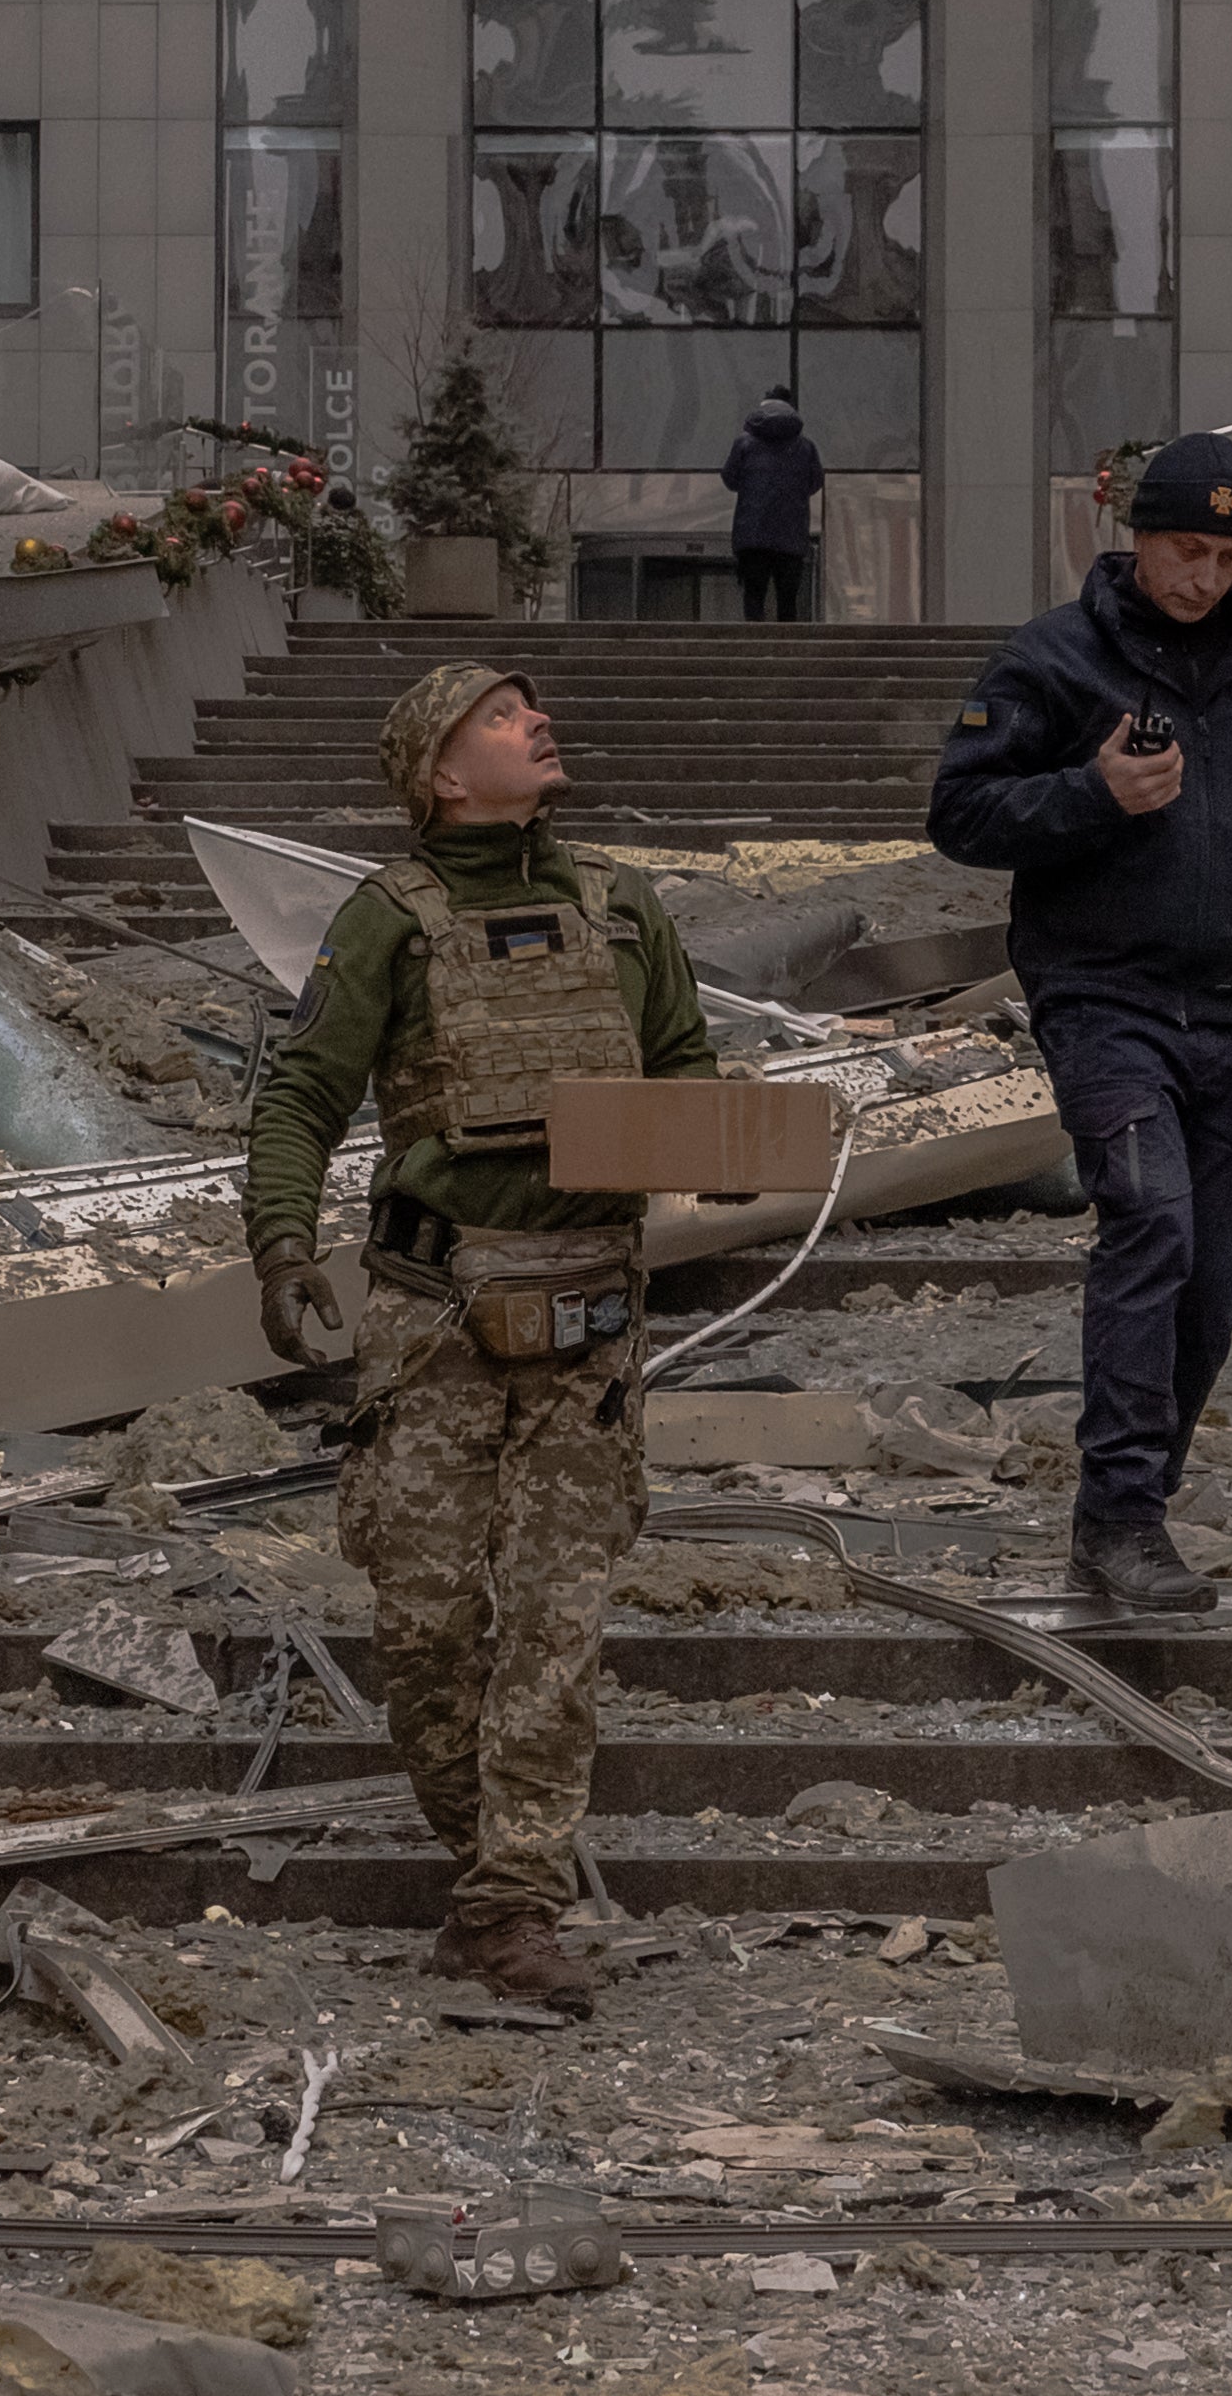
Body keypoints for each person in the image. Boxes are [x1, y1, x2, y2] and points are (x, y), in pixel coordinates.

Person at [242, 662, 719, 1998]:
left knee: (556, 1623)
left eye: (532, 708)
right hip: (438, 1315)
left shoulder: (621, 911)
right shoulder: (387, 920)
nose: (538, 721)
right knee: (425, 1624)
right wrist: (280, 1247)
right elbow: (299, 1100)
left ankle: (514, 1899)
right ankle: (489, 1866)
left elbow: (684, 1067)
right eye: (501, 717)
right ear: (441, 772)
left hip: (589, 1323)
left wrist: (708, 1140)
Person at [920, 431, 1232, 1611]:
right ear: (1135, 538)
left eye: (1226, 554)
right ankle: (1117, 1516)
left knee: (1216, 1277)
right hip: (1100, 996)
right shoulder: (1055, 660)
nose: (1202, 576)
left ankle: (1133, 1515)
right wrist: (1093, 793)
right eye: (1183, 548)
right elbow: (957, 811)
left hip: (1229, 1011)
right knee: (1151, 1222)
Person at [720, 386, 823, 621]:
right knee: (787, 600)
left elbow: (729, 478)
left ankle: (754, 652)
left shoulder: (744, 443)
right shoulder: (805, 447)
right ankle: (787, 653)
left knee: (754, 595)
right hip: (791, 534)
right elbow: (816, 482)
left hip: (752, 533)